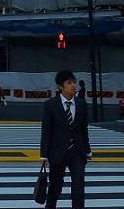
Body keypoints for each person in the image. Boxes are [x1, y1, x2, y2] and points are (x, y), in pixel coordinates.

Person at [41, 70, 92, 209]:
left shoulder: (82, 104)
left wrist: (87, 150)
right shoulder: (50, 105)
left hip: (77, 152)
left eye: (74, 82)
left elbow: (83, 129)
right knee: (55, 188)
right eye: (69, 83)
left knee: (78, 189)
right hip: (57, 152)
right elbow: (46, 131)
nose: (73, 85)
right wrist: (44, 154)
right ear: (60, 86)